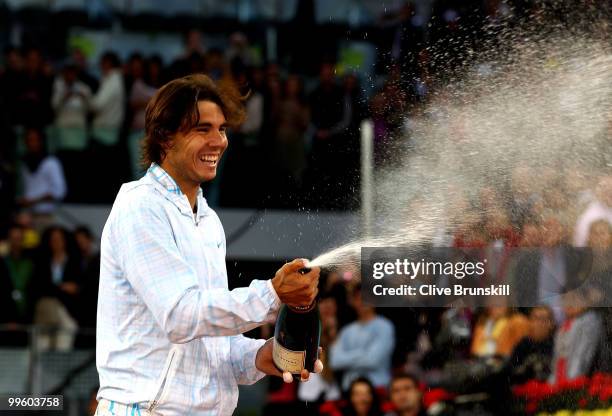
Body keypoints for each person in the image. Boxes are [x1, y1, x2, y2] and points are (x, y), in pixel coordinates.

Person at [95, 74, 321, 416]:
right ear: (164, 136)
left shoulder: (208, 220)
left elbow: (216, 345)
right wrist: (274, 293)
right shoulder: (140, 205)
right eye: (203, 129)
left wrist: (263, 356)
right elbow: (181, 316)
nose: (219, 141)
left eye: (223, 129)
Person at [329, 284, 395, 391]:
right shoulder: (346, 330)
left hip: (377, 387)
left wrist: (347, 358)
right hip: (350, 389)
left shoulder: (385, 326)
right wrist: (363, 353)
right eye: (359, 298)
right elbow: (335, 361)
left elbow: (373, 360)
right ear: (353, 302)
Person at [17, 127, 67, 226]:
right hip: (27, 217)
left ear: (42, 141)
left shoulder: (51, 162)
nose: (32, 144)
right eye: (29, 140)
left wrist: (33, 201)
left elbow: (59, 191)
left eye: (35, 140)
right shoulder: (24, 164)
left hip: (45, 217)